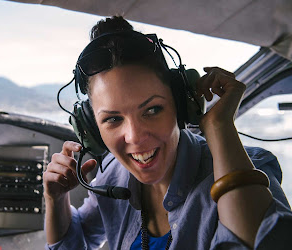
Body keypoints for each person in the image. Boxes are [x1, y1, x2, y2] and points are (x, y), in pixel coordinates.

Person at [43, 16, 292, 249]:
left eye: (152, 110)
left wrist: (220, 126)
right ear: (90, 128)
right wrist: (55, 199)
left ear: (181, 103)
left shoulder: (249, 168)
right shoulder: (112, 175)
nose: (135, 137)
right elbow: (80, 237)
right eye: (113, 119)